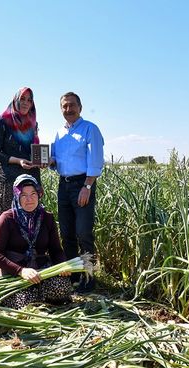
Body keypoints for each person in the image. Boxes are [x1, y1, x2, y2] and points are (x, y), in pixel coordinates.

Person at [0, 174, 72, 309]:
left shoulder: (47, 218)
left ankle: (42, 298)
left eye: (33, 194)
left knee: (62, 289)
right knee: (26, 302)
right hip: (13, 273)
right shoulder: (7, 218)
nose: (29, 199)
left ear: (39, 195)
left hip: (40, 271)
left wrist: (62, 264)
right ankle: (37, 299)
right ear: (17, 196)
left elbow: (56, 249)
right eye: (24, 195)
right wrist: (21, 271)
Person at [50, 92, 105, 293]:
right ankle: (74, 275)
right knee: (67, 233)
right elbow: (54, 158)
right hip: (63, 186)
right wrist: (49, 161)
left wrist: (87, 186)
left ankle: (89, 277)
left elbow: (96, 160)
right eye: (64, 106)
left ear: (80, 107)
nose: (68, 109)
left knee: (83, 232)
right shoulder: (59, 133)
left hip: (82, 184)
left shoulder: (90, 129)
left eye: (72, 105)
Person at [0, 87, 44, 219]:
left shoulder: (33, 124)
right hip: (9, 180)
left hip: (29, 183)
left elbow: (34, 152)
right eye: (22, 99)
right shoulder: (2, 121)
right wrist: (18, 161)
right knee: (9, 221)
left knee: (29, 223)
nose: (26, 103)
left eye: (29, 100)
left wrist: (39, 180)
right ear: (15, 100)